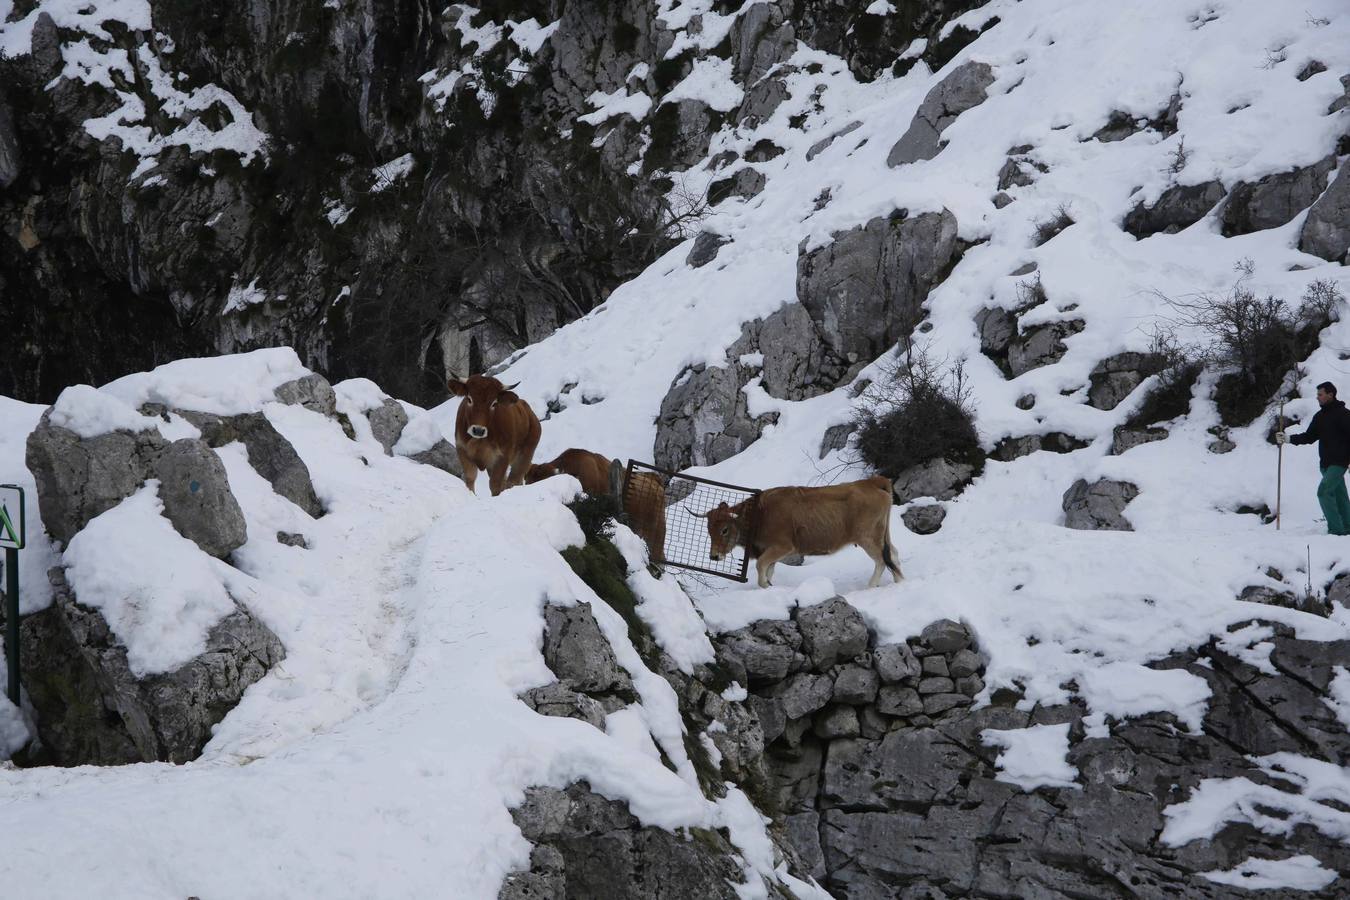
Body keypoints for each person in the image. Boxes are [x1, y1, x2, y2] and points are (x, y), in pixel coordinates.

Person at [1277, 381, 1350, 535]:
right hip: (1325, 463)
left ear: (1330, 395)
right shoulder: (1320, 416)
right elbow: (1309, 437)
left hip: (1339, 462)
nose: (1317, 397)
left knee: (1323, 492)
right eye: (1317, 394)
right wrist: (1288, 439)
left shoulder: (1344, 414)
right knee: (1339, 495)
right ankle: (1347, 527)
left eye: (1320, 394)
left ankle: (1336, 531)